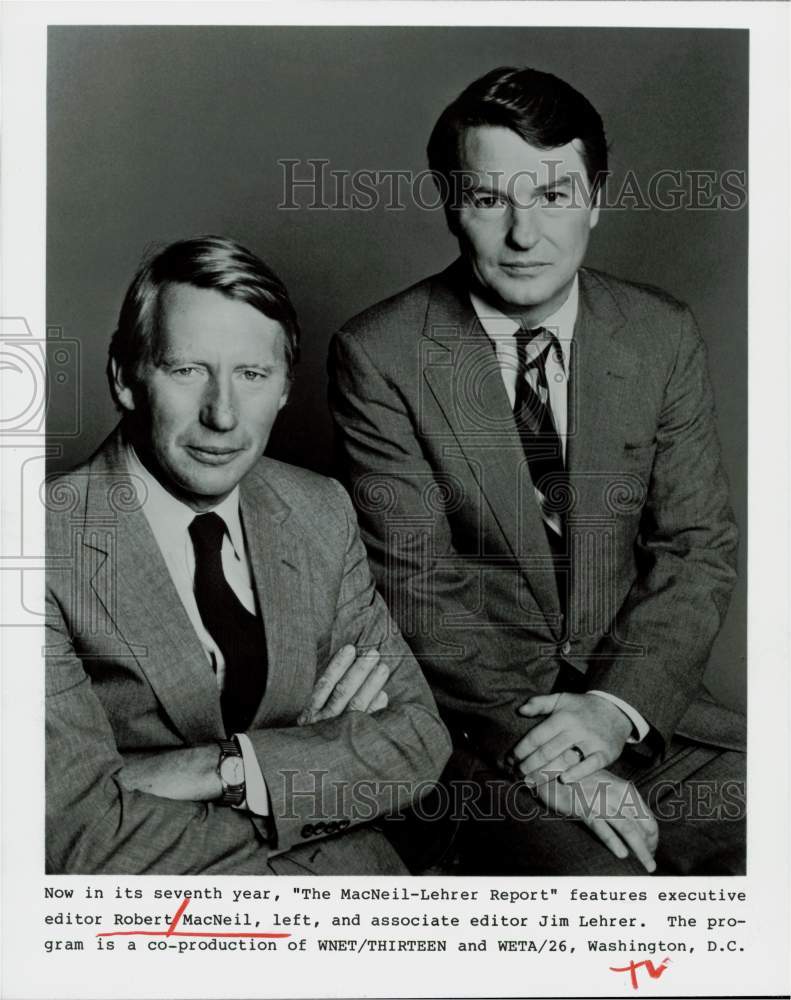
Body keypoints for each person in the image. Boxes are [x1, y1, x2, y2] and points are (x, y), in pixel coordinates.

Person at [329, 67, 746, 875]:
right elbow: (417, 587)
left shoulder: (658, 334)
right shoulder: (379, 354)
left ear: (595, 200)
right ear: (453, 204)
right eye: (490, 199)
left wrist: (615, 711)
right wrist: (546, 753)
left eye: (553, 196)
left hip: (644, 711)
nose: (524, 234)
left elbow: (696, 549)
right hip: (481, 740)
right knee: (606, 895)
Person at [45, 235, 450, 875]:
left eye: (253, 376)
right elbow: (75, 835)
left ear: (286, 388)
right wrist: (309, 759)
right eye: (187, 370)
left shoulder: (318, 509)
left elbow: (418, 742)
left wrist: (233, 769)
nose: (223, 415)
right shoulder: (34, 548)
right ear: (125, 378)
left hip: (360, 905)